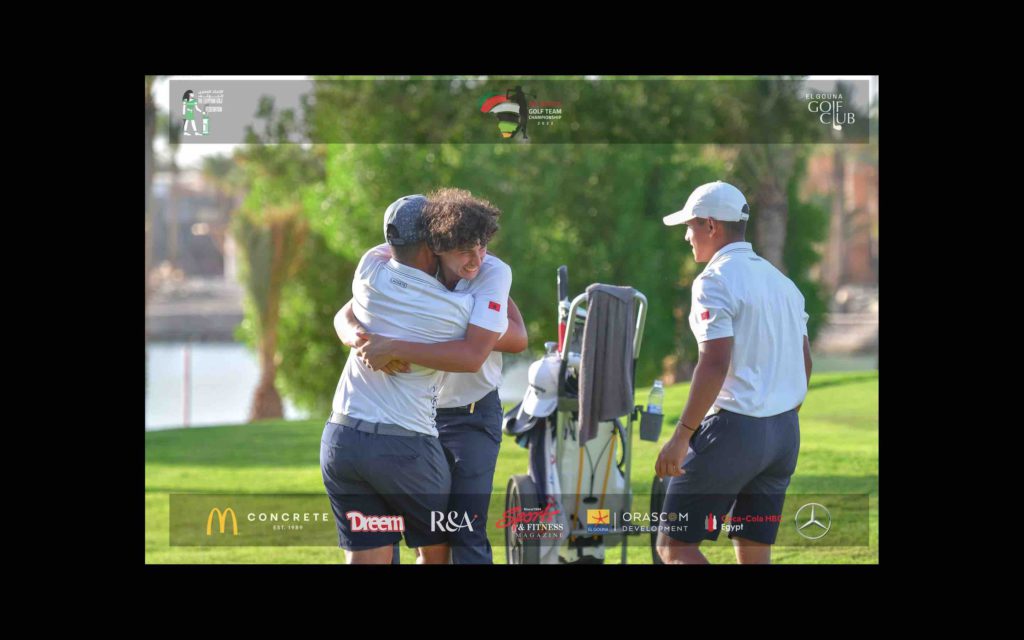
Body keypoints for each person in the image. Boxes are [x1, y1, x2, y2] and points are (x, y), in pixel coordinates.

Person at [337, 188, 527, 564]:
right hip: (418, 417)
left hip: (471, 415)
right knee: (421, 537)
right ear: (436, 246)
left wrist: (395, 346)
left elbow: (514, 340)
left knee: (464, 530)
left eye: (482, 247)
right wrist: (362, 341)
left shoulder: (491, 273)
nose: (476, 259)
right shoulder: (405, 263)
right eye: (465, 250)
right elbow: (347, 312)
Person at [655, 180, 812, 565]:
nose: (687, 236)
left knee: (674, 546)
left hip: (735, 432)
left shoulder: (714, 281)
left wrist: (681, 436)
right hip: (784, 434)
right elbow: (804, 361)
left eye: (690, 226)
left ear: (711, 225)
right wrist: (777, 417)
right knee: (754, 550)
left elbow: (714, 362)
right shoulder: (785, 285)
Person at [320, 194, 476, 565]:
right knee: (439, 555)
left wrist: (361, 339)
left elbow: (344, 313)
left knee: (366, 558)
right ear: (434, 244)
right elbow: (499, 339)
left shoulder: (367, 273)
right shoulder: (453, 309)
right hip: (406, 446)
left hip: (342, 440)